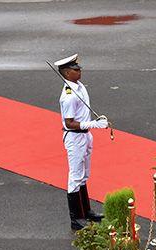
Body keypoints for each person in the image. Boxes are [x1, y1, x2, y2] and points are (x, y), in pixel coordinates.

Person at [56, 53, 109, 230]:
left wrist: (91, 125)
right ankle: (76, 218)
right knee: (75, 176)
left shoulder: (79, 87)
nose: (79, 71)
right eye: (75, 69)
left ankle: (86, 211)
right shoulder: (69, 95)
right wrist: (93, 124)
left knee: (84, 175)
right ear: (66, 72)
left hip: (85, 135)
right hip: (75, 137)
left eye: (79, 68)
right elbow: (69, 123)